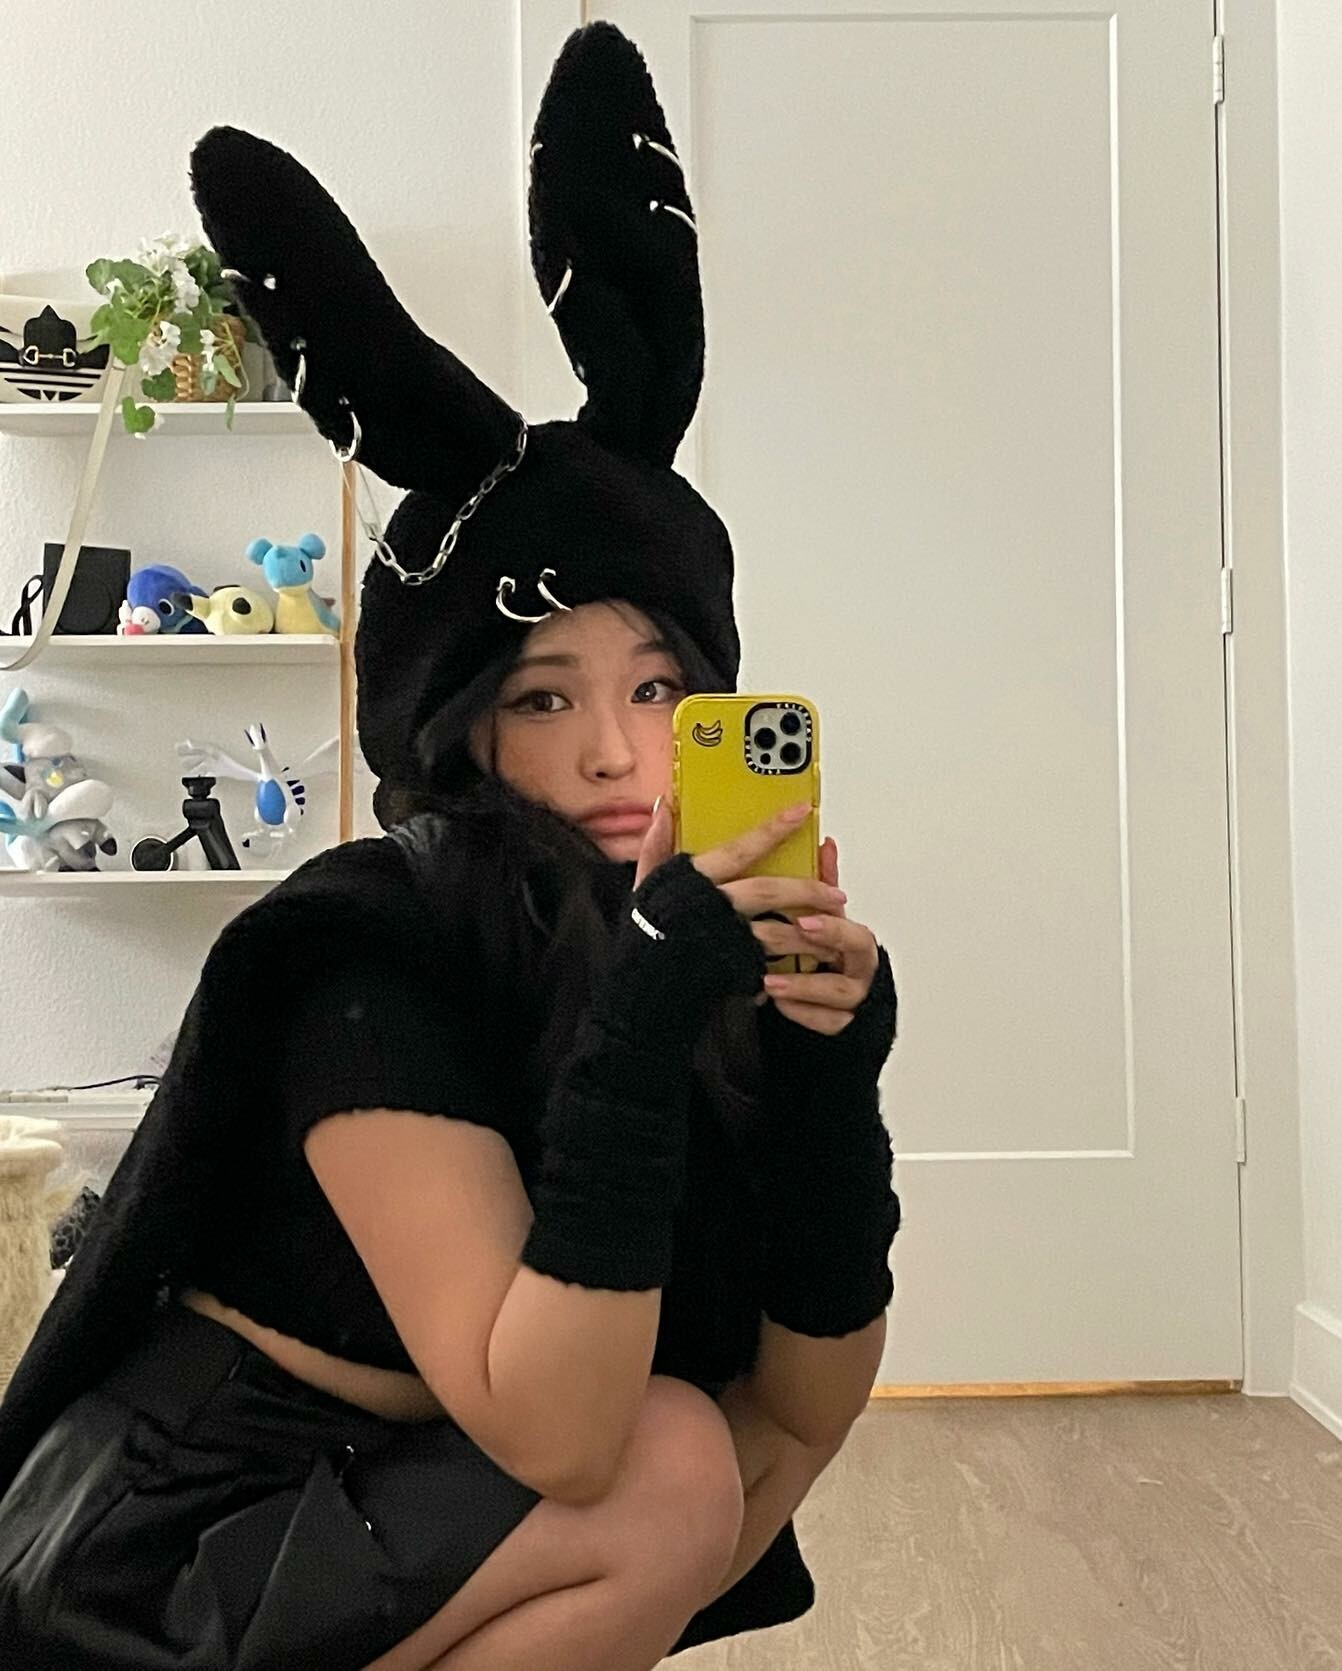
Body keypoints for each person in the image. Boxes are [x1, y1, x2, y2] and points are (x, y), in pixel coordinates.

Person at [0, 22, 902, 1670]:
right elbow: (565, 1438)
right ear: (465, 726)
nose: (619, 749)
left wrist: (830, 1079)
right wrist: (646, 1019)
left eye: (658, 687)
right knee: (659, 1466)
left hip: (403, 1490)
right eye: (547, 696)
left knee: (722, 1448)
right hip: (174, 1535)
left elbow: (810, 1407)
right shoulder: (369, 941)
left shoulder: (660, 922)